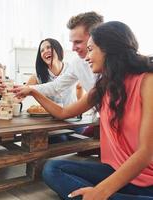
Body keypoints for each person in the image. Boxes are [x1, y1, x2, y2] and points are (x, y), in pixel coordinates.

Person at [13, 21, 153, 199]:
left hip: (148, 180)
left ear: (109, 49)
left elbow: (146, 154)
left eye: (91, 49)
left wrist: (101, 191)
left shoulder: (148, 81)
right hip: (116, 171)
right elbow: (63, 113)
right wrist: (33, 91)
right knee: (52, 168)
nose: (87, 57)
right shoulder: (103, 86)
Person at [15, 11, 103, 100]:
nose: (73, 48)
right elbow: (56, 87)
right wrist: (29, 89)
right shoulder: (77, 64)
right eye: (42, 50)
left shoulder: (112, 68)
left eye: (78, 42)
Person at [26, 38, 77, 106]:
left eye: (49, 47)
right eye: (42, 51)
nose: (45, 51)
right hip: (50, 116)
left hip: (72, 114)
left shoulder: (71, 69)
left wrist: (81, 113)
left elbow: (79, 88)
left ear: (58, 49)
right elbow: (22, 92)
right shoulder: (37, 76)